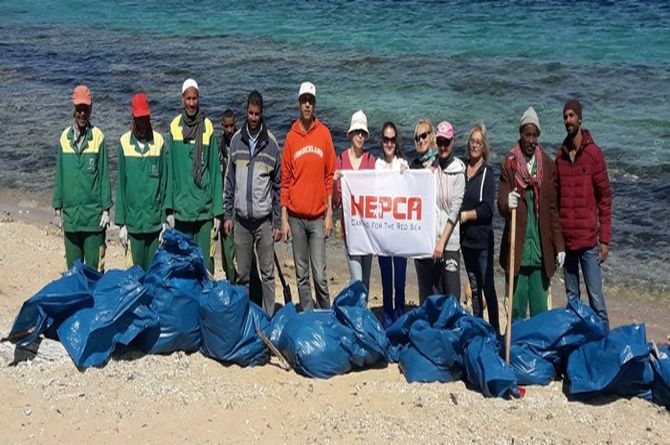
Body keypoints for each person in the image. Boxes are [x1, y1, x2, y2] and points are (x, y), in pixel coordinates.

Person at [498, 107, 565, 319]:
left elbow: (553, 209)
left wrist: (559, 246)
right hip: (516, 252)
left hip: (540, 254)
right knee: (516, 311)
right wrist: (506, 202)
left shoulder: (548, 165)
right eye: (527, 134)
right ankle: (515, 348)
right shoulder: (509, 164)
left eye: (535, 135)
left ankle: (539, 351)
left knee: (540, 313)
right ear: (520, 134)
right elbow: (500, 204)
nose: (531, 140)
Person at [224, 91, 282, 316]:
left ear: (262, 114)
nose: (254, 117)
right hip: (241, 223)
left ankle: (268, 317)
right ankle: (244, 317)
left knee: (267, 274)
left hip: (263, 222)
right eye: (250, 113)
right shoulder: (237, 141)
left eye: (257, 114)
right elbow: (229, 180)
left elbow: (277, 186)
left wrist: (277, 222)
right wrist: (227, 215)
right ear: (245, 112)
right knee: (243, 275)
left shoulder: (272, 144)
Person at [555, 99, 612, 329]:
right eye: (565, 117)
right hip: (568, 244)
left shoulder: (594, 154)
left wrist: (605, 240)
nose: (568, 120)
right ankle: (578, 350)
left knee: (596, 300)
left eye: (571, 116)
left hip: (588, 242)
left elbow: (605, 198)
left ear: (580, 118)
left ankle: (606, 345)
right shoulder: (560, 157)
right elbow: (555, 200)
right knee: (573, 301)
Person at [280, 81, 336, 310]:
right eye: (304, 100)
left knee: (320, 276)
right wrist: (283, 219)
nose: (307, 105)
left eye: (311, 101)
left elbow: (329, 176)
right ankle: (308, 319)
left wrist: (330, 212)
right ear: (298, 103)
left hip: (317, 218)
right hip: (295, 217)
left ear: (314, 105)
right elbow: (284, 181)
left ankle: (326, 315)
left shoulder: (324, 134)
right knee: (301, 275)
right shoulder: (291, 138)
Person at [165, 78, 223, 274]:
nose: (191, 103)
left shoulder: (207, 127)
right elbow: (170, 169)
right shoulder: (174, 127)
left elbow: (215, 171)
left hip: (204, 211)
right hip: (182, 211)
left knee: (205, 266)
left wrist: (217, 211)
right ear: (182, 99)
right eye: (188, 98)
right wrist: (169, 209)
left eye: (195, 98)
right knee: (183, 266)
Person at [52, 84, 112, 272]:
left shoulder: (98, 138)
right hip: (71, 219)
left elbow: (104, 177)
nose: (82, 114)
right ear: (73, 109)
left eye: (85, 109)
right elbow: (60, 176)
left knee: (94, 273)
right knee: (74, 273)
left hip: (93, 219)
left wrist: (106, 210)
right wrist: (57, 208)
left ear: (91, 109)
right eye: (79, 109)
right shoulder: (64, 138)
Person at [114, 92, 166, 271]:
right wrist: (121, 224)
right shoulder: (124, 144)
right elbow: (121, 186)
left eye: (145, 118)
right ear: (133, 118)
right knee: (134, 276)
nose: (142, 123)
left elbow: (164, 183)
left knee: (154, 275)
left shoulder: (158, 142)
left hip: (154, 224)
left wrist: (165, 220)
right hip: (134, 225)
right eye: (139, 119)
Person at [459, 122, 500, 335]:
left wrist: (466, 215)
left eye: (478, 142)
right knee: (474, 288)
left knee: (487, 288)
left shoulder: (487, 173)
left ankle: (493, 331)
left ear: (484, 147)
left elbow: (487, 210)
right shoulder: (463, 168)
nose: (474, 146)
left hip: (482, 241)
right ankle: (478, 329)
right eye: (472, 142)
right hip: (465, 241)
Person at [333, 110, 376, 291]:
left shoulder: (370, 160)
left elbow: (378, 193)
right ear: (350, 134)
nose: (360, 135)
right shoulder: (341, 160)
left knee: (365, 279)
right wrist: (335, 182)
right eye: (357, 132)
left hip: (367, 231)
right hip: (350, 230)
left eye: (363, 133)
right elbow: (336, 201)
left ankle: (361, 314)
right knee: (356, 279)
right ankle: (356, 315)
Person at [375, 121, 409, 327]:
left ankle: (401, 321)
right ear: (381, 141)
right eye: (386, 139)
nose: (389, 143)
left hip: (401, 233)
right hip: (383, 233)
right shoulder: (376, 166)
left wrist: (410, 176)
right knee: (387, 282)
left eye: (392, 139)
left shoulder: (402, 165)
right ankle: (388, 322)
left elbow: (414, 190)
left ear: (396, 142)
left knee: (401, 283)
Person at [430, 121, 466, 300]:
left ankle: (453, 328)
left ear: (453, 142)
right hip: (433, 241)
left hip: (449, 242)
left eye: (446, 142)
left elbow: (454, 212)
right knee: (435, 295)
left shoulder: (459, 172)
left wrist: (441, 244)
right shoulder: (432, 168)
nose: (443, 146)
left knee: (452, 296)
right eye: (440, 142)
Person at [409, 118, 438, 301]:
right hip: (420, 238)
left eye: (424, 135)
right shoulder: (413, 166)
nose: (420, 140)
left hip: (437, 236)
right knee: (424, 287)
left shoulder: (440, 163)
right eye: (417, 137)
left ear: (432, 137)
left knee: (438, 286)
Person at [218, 109, 238, 282]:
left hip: (239, 206)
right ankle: (231, 281)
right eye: (226, 126)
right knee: (226, 258)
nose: (230, 130)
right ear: (222, 126)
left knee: (236, 255)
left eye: (232, 126)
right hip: (223, 205)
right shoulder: (219, 147)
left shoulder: (240, 144)